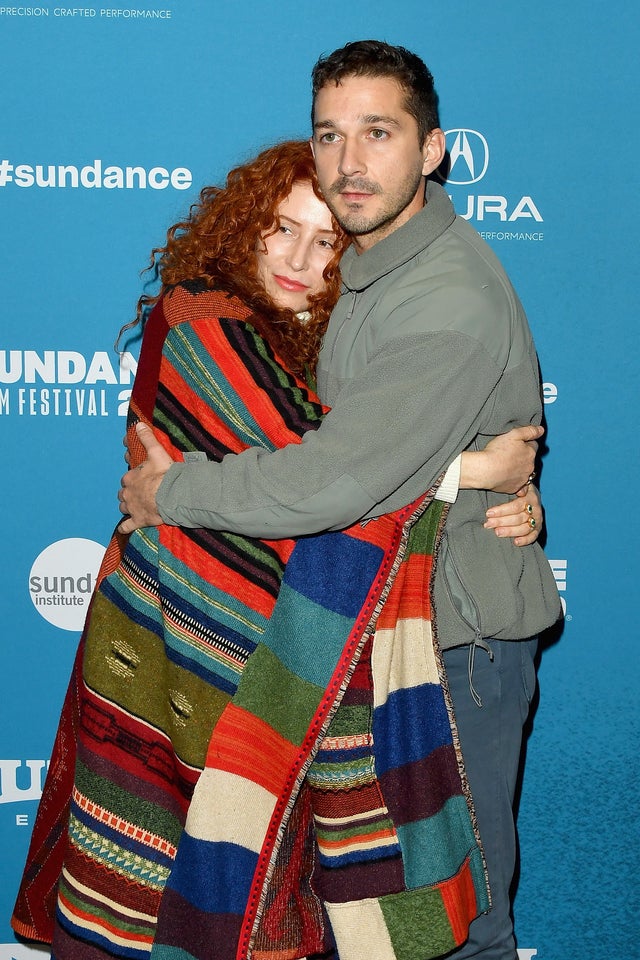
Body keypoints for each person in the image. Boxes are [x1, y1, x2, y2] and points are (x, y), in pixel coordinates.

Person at [12, 139, 541, 960]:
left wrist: (498, 491)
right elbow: (321, 471)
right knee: (156, 882)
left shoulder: (331, 353)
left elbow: (359, 462)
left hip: (283, 660)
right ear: (241, 230)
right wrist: (475, 470)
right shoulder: (198, 316)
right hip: (171, 642)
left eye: (325, 240)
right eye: (280, 230)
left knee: (262, 900)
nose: (298, 258)